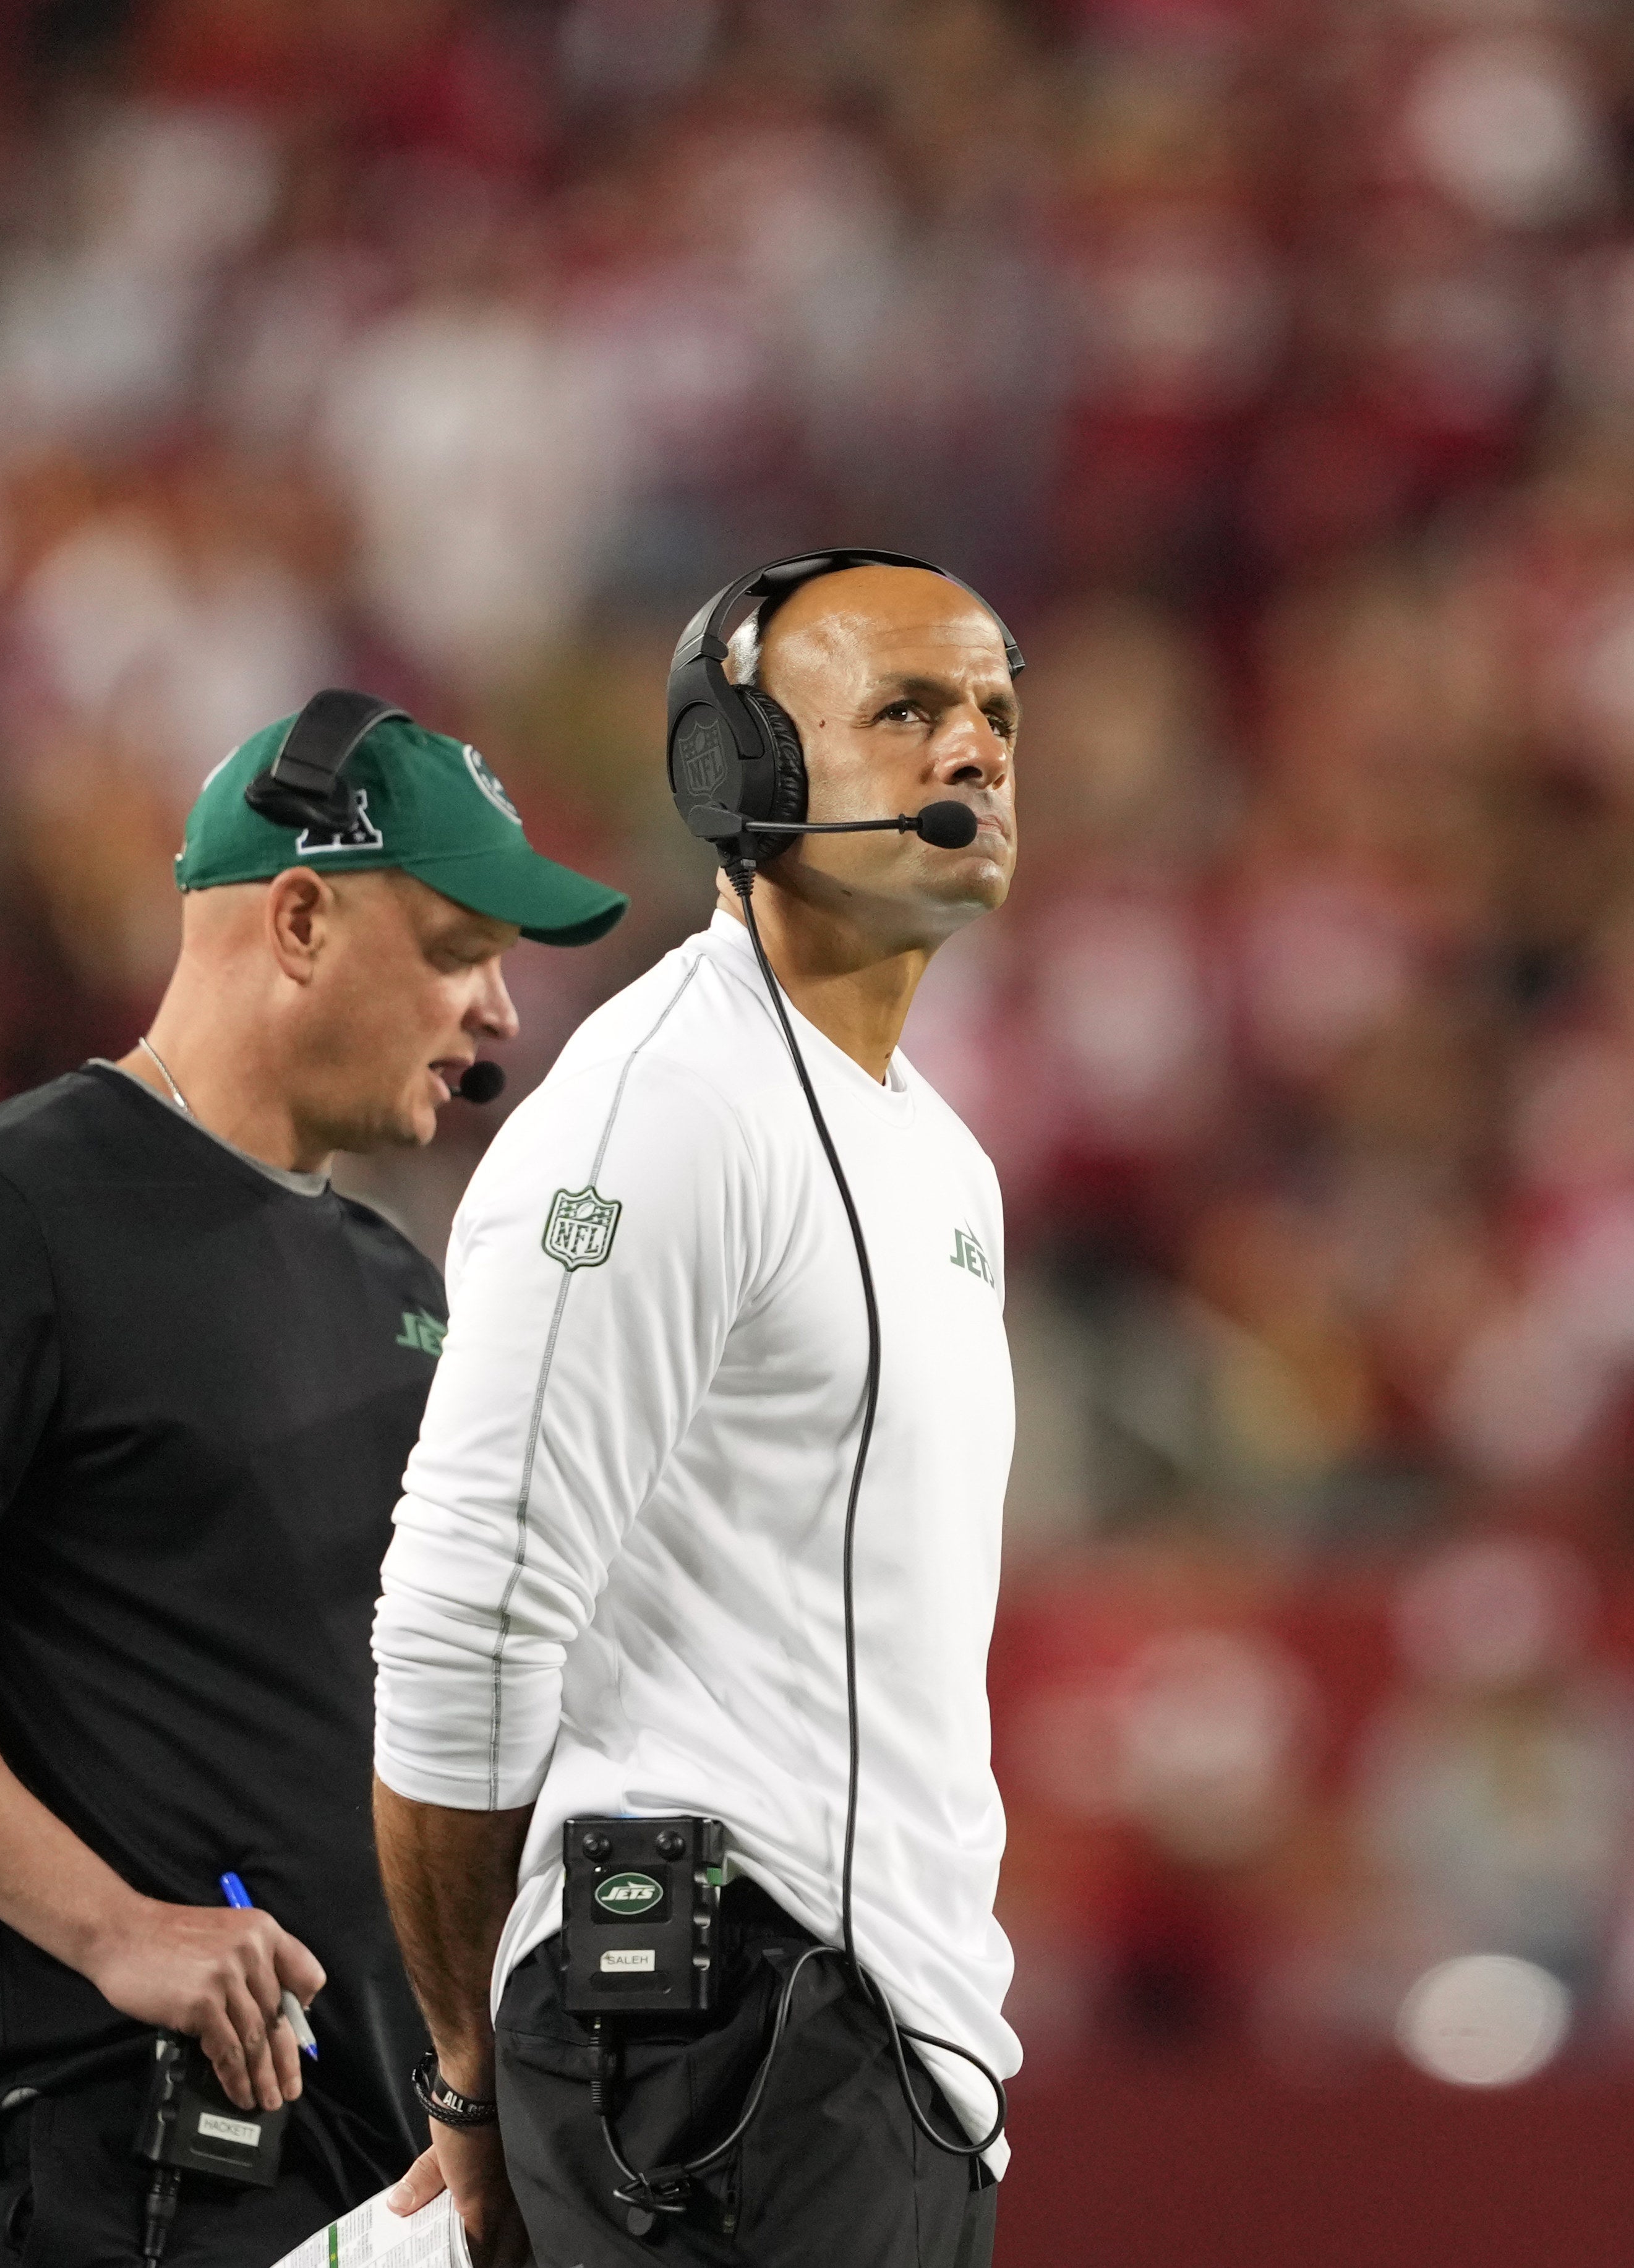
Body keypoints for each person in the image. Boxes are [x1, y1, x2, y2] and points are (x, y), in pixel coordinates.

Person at [0, 701, 627, 2267]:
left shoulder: (392, 1283)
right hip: (79, 2143)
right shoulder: (9, 1210)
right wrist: (111, 1925)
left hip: (336, 2159)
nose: (500, 1012)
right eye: (457, 946)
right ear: (296, 918)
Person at [371, 553, 1025, 2267]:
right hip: (714, 2033)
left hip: (884, 2043)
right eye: (905, 709)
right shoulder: (665, 1109)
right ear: (738, 774)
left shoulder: (937, 1152)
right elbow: (465, 1610)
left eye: (993, 712)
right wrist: (460, 2071)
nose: (972, 750)